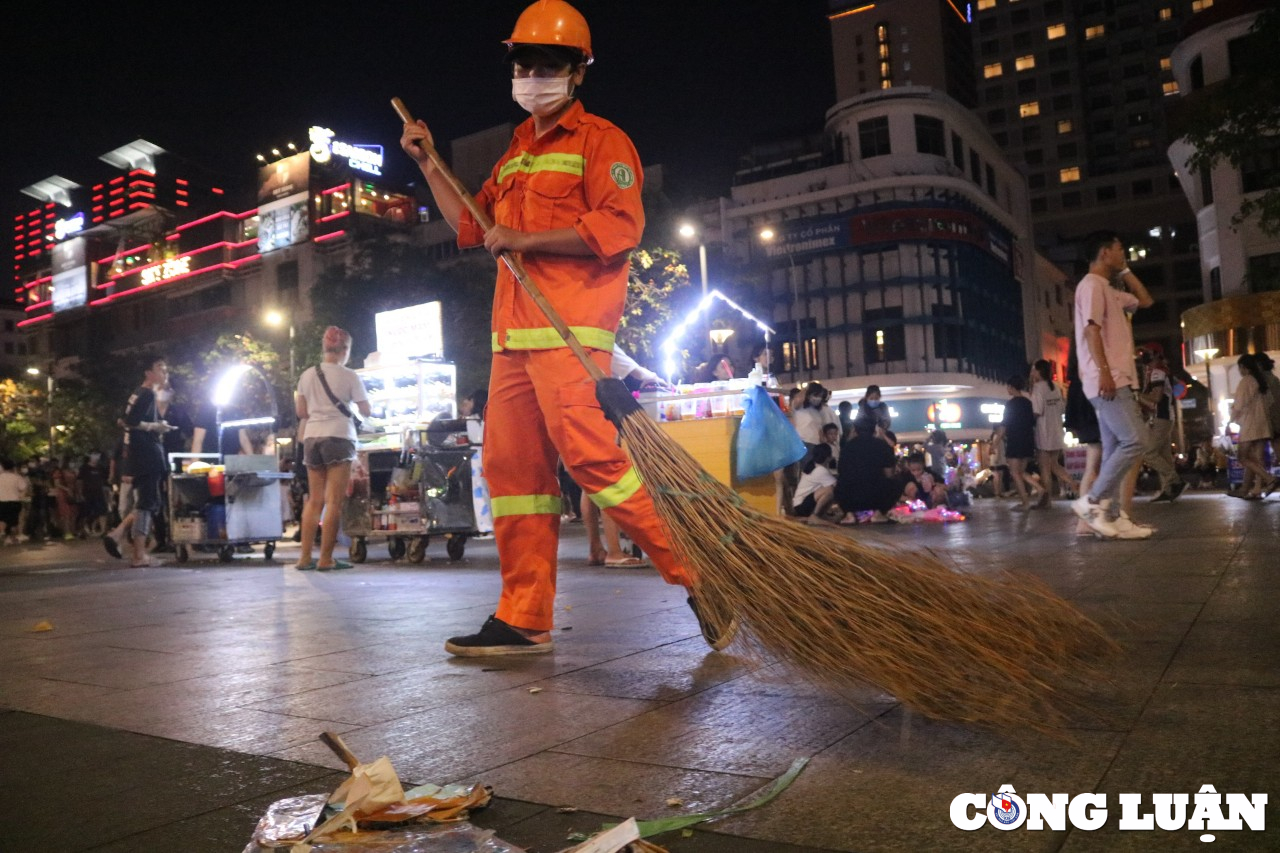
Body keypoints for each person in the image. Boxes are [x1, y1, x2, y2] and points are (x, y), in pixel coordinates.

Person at [399, 0, 732, 655]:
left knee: (593, 462)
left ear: (579, 72)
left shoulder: (602, 142)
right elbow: (471, 225)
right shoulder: (517, 151)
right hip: (512, 341)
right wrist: (428, 163)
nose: (532, 74)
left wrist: (524, 237)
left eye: (548, 63)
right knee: (512, 474)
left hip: (570, 335)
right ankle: (523, 617)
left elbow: (619, 229)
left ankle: (705, 575)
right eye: (524, 62)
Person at [1070, 232, 1156, 540]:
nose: (1125, 254)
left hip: (1114, 377)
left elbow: (1145, 301)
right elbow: (1092, 331)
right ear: (1105, 252)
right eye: (1120, 250)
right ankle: (1092, 503)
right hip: (1108, 379)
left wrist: (1125, 272)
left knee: (1114, 448)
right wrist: (1104, 372)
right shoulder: (1091, 286)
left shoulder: (1107, 288)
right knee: (1136, 440)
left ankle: (1115, 517)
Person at [294, 326, 372, 571]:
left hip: (312, 437)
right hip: (339, 436)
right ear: (345, 350)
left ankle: (305, 558)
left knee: (314, 500)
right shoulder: (349, 376)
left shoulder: (306, 375)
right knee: (334, 501)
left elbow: (301, 412)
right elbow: (366, 410)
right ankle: (326, 558)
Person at [113, 355, 174, 566]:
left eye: (166, 370)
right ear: (149, 373)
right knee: (147, 504)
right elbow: (130, 421)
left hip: (137, 456)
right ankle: (139, 555)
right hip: (148, 455)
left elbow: (123, 419)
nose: (165, 374)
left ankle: (121, 537)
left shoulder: (137, 393)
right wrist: (156, 427)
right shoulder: (147, 393)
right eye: (161, 369)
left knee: (144, 504)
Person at [1137, 347, 1188, 503]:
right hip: (1164, 416)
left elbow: (1156, 398)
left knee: (1148, 453)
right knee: (1163, 455)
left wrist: (1136, 395)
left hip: (1161, 417)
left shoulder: (1157, 372)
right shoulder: (1160, 371)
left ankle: (1175, 480)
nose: (1146, 363)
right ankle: (1168, 489)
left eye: (1147, 359)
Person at [1228, 353, 1278, 499]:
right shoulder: (1260, 381)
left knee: (1242, 457)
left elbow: (1238, 405)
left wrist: (1230, 421)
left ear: (1244, 368)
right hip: (1263, 424)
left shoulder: (1246, 381)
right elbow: (1269, 402)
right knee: (1257, 458)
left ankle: (1269, 479)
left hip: (1250, 424)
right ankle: (1254, 489)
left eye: (1240, 368)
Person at [835, 417, 900, 523]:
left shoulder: (847, 447)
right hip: (876, 497)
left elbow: (841, 472)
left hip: (851, 497)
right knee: (895, 482)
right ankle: (878, 514)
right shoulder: (881, 445)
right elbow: (889, 474)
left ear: (855, 430)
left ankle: (849, 514)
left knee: (840, 483)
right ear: (874, 429)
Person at [1029, 359, 1076, 506]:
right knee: (1054, 465)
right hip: (1056, 430)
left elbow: (1037, 411)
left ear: (1038, 371)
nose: (1032, 372)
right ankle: (1073, 483)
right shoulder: (1055, 387)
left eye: (1033, 369)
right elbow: (1062, 408)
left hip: (1044, 432)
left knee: (1045, 468)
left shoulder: (1038, 388)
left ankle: (1047, 500)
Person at [996, 375, 1039, 512]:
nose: (1007, 389)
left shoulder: (1010, 405)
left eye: (1008, 387)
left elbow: (1003, 427)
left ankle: (1025, 502)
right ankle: (1039, 488)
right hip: (1028, 440)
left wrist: (994, 443)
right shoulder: (1028, 403)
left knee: (1015, 473)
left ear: (1011, 387)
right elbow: (1033, 422)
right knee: (1021, 472)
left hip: (1015, 440)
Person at [792, 442, 838, 520]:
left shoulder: (813, 466)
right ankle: (815, 515)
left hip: (799, 504)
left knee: (830, 489)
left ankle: (820, 514)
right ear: (827, 457)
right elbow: (836, 485)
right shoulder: (820, 470)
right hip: (802, 506)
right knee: (830, 490)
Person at [0, 458, 29, 545]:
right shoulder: (17, 477)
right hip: (14, 502)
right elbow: (24, 488)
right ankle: (11, 538)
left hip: (1, 501)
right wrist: (21, 496)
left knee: (2, 520)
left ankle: (4, 536)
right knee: (13, 521)